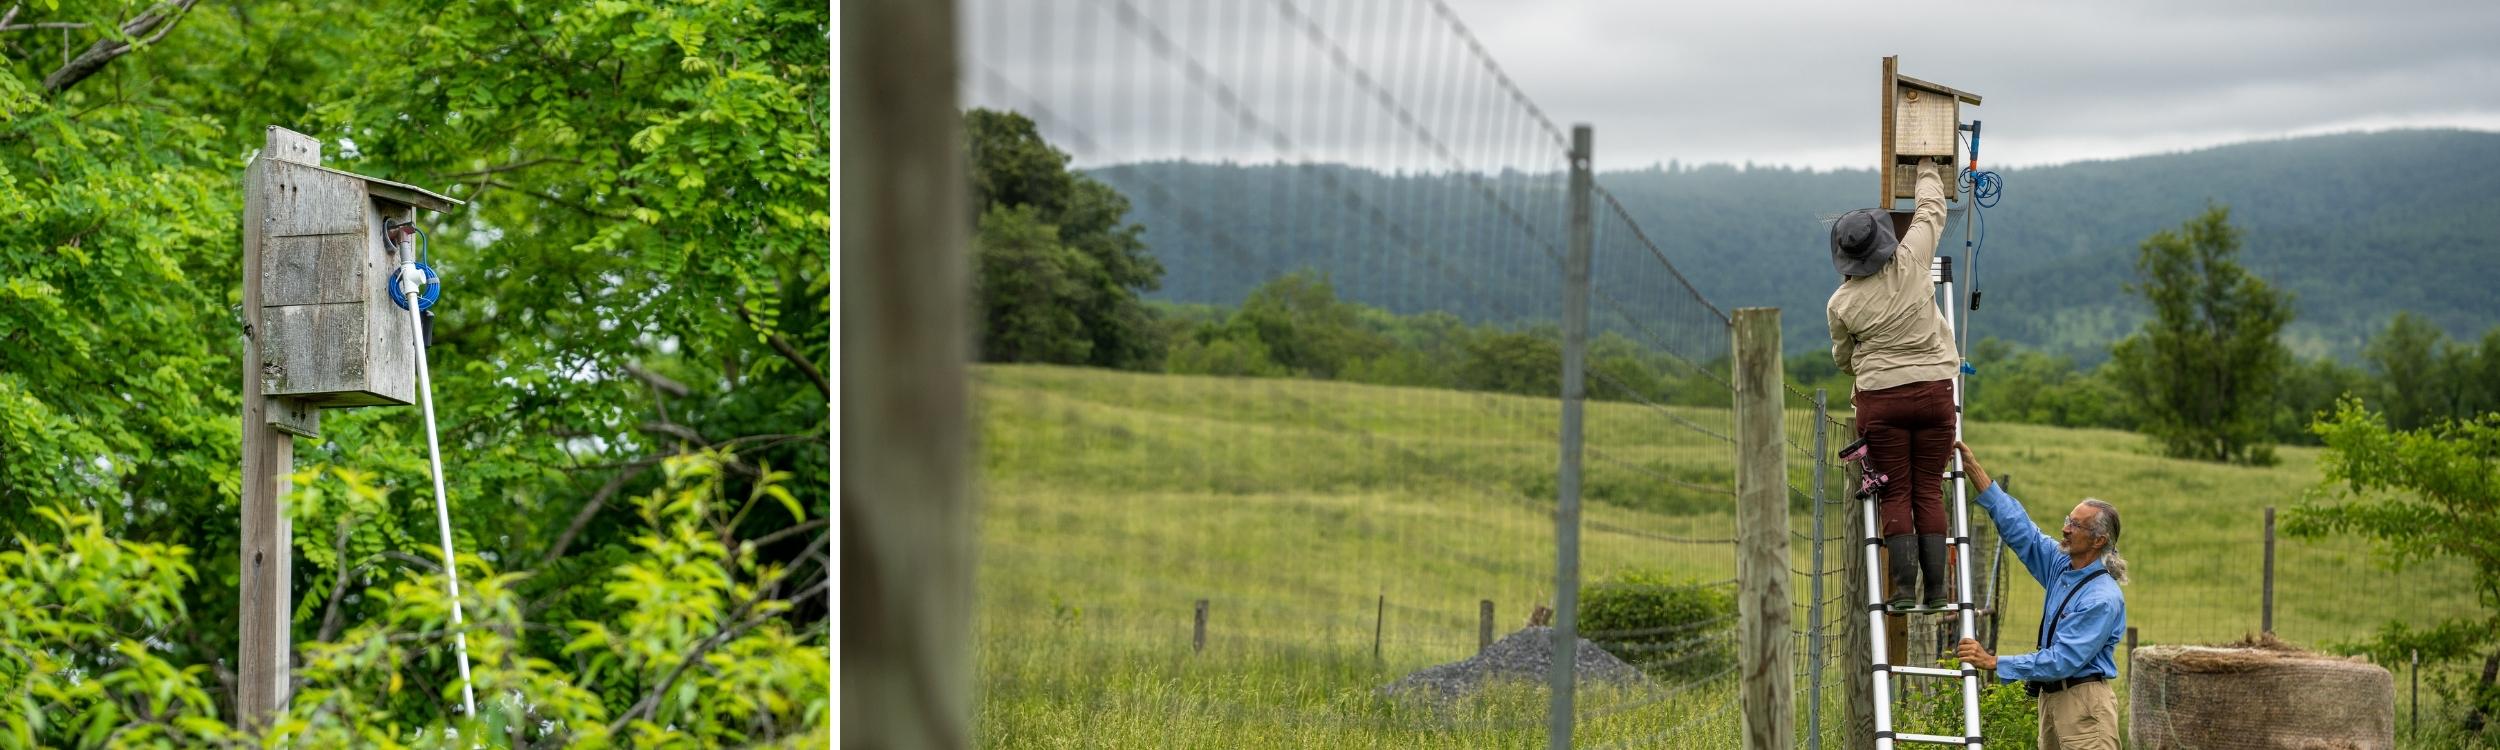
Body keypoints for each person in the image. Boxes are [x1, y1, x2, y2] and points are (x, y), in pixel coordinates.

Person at [1826, 160, 1958, 610]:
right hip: (1937, 394)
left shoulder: (1841, 303)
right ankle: (1938, 593)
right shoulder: (1913, 260)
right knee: (1927, 489)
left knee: (1896, 491)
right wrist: (1925, 165)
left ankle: (1903, 590)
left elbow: (1844, 359)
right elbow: (1930, 210)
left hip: (1880, 402)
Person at [1951, 441, 2129, 750]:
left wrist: (1995, 662)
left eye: (2076, 525)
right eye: (2067, 519)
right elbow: (2023, 531)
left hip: (2084, 706)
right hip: (2052, 700)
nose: (2066, 529)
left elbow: (2063, 660)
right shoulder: (2062, 565)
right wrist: (1973, 469)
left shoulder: (2101, 598)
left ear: (2099, 540)